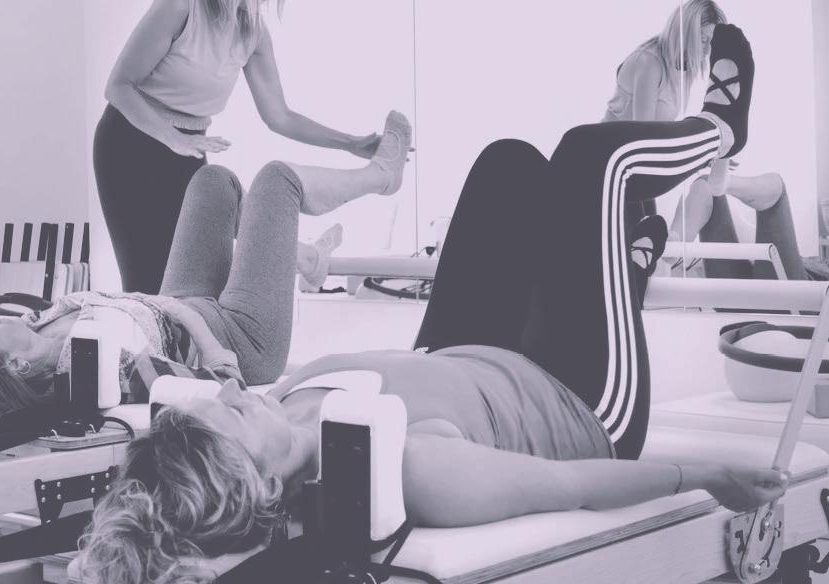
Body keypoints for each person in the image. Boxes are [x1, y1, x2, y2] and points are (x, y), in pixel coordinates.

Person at [78, 25, 788, 584]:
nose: (235, 390)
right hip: (579, 399)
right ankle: (720, 131)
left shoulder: (278, 408)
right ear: (260, 483)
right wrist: (707, 476)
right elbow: (572, 483)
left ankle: (623, 249)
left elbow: (226, 380)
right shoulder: (412, 470)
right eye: (232, 411)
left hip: (464, 359)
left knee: (509, 164)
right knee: (591, 158)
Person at [0, 112, 412, 422]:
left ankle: (305, 259)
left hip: (176, 302)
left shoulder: (38, 325)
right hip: (241, 338)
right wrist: (195, 325)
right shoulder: (90, 370)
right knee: (277, 180)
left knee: (212, 183)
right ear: (13, 366)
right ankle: (380, 176)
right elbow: (216, 382)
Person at [95, 0, 393, 295]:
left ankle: (308, 258)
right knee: (147, 284)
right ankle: (308, 258)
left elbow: (280, 117)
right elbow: (119, 86)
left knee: (197, 282)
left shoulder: (253, 33)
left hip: (190, 148)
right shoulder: (179, 8)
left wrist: (351, 143)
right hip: (130, 145)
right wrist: (175, 139)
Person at [603, 0, 727, 229]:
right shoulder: (649, 62)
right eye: (703, 40)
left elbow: (665, 134)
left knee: (649, 233)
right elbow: (643, 140)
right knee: (640, 235)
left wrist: (711, 150)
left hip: (635, 168)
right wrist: (699, 154)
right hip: (612, 166)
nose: (708, 50)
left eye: (712, 42)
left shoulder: (685, 67)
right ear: (686, 33)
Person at [666, 159, 806, 281]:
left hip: (790, 296)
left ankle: (675, 243)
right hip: (736, 296)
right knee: (708, 188)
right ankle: (675, 242)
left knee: (776, 191)